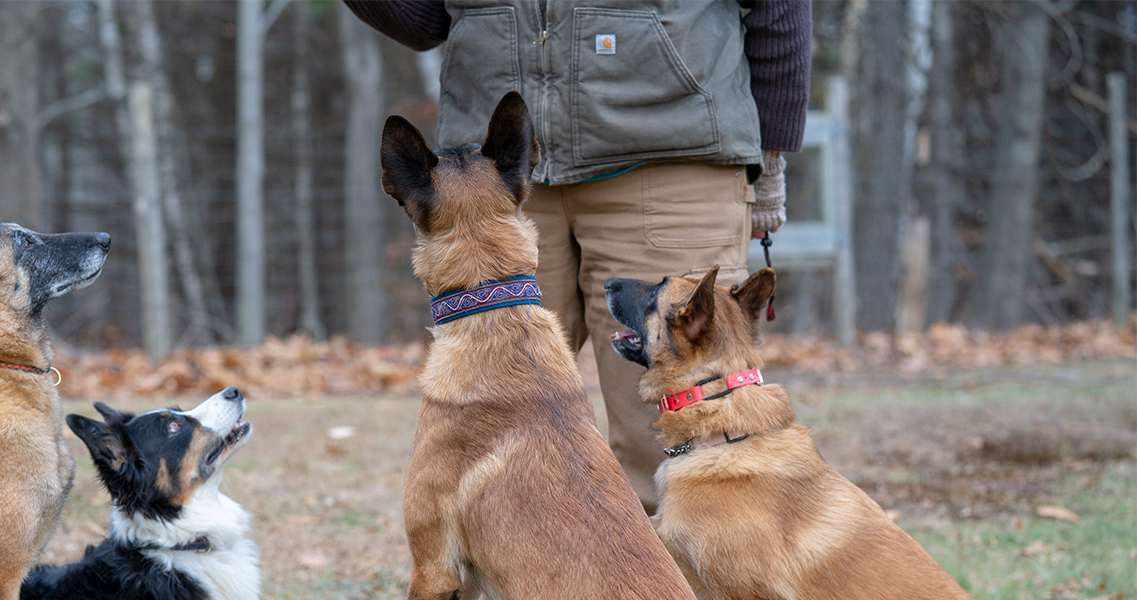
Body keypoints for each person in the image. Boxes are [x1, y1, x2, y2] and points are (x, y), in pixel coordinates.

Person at [345, 0, 811, 513]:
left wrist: (769, 160)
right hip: (495, 175)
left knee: (683, 461)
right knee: (491, 457)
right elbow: (426, 19)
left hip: (673, 157)